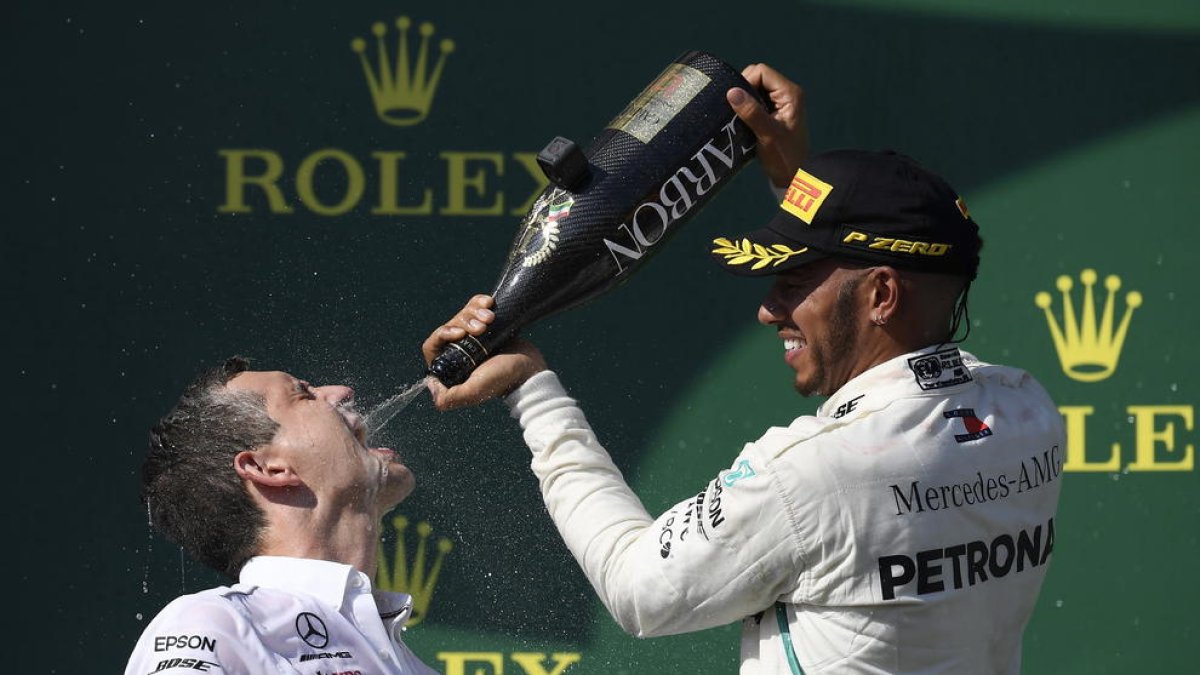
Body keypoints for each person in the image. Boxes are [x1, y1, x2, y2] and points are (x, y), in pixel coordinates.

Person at [423, 65, 1065, 673]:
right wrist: (797, 181)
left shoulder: (813, 474)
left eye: (791, 279)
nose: (768, 309)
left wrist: (531, 387)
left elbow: (638, 588)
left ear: (882, 295)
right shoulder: (1025, 412)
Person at [125, 357, 437, 674]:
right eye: (303, 393)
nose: (342, 392)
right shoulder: (212, 625)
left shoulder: (414, 667)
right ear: (269, 468)